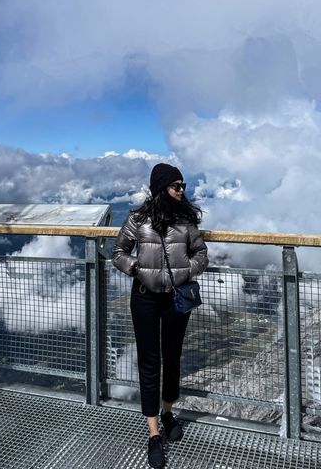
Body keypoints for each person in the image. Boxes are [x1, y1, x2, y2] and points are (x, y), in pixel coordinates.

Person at [112, 163, 208, 469]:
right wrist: (137, 269)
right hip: (144, 298)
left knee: (173, 356)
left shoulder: (185, 220)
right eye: (176, 186)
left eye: (183, 186)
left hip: (175, 298)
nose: (182, 191)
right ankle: (154, 432)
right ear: (161, 188)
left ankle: (168, 412)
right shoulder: (137, 219)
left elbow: (201, 254)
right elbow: (118, 252)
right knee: (150, 361)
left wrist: (185, 272)